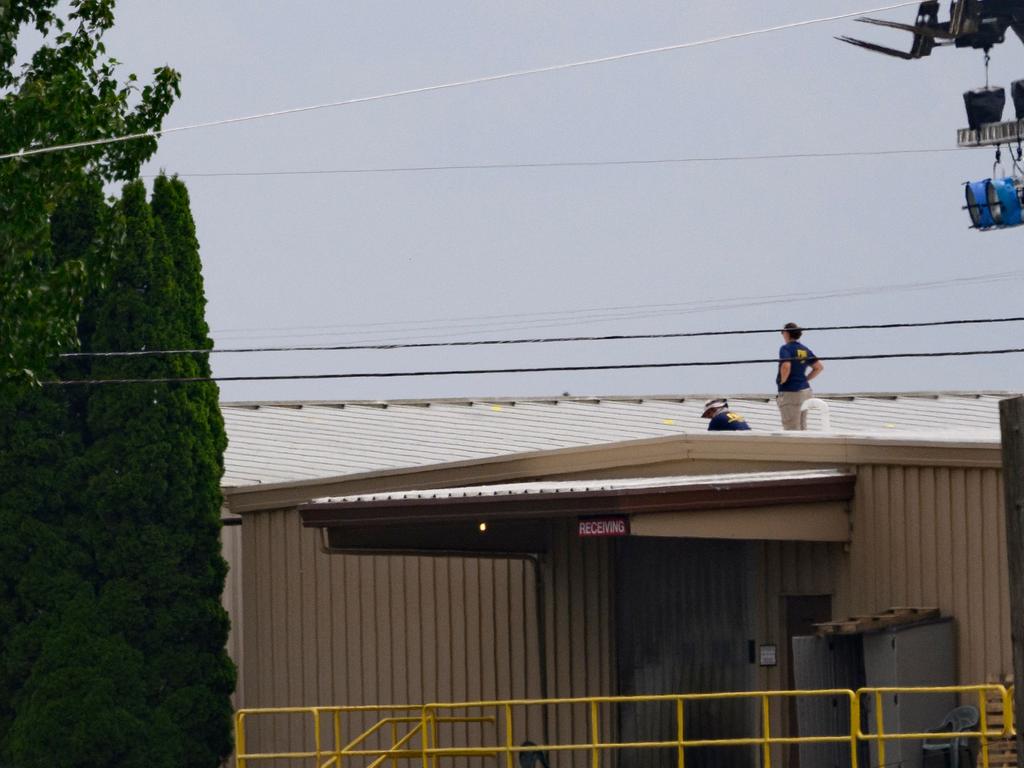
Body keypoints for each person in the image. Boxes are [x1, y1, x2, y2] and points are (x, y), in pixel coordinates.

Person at [776, 322, 824, 430]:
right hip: (805, 391)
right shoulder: (804, 349)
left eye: (782, 332)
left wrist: (783, 381)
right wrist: (805, 379)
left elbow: (786, 366)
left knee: (791, 427)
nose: (782, 334)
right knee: (802, 426)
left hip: (791, 391)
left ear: (787, 333)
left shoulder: (786, 348)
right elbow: (818, 367)